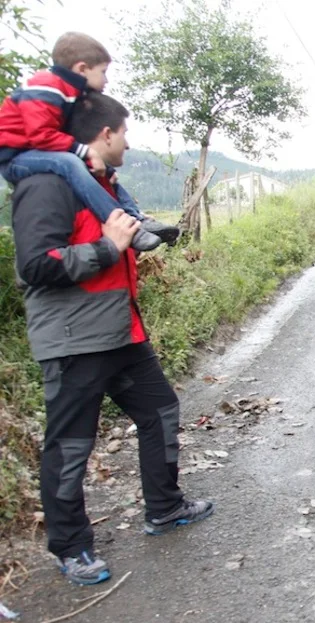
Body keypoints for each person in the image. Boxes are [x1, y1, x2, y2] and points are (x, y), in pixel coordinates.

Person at [11, 91, 213, 586]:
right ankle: (71, 548)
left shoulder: (104, 185)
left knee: (161, 412)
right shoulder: (47, 183)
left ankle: (164, 508)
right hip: (74, 342)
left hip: (120, 332)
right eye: (125, 133)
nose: (127, 142)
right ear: (105, 134)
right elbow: (35, 266)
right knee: (71, 446)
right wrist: (108, 247)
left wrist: (130, 241)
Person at [0, 31, 178, 252]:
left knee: (104, 169)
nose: (106, 80)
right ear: (82, 68)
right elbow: (41, 134)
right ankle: (121, 223)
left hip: (37, 150)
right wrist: (84, 151)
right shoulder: (46, 86)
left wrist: (103, 168)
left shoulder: (70, 93)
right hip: (14, 155)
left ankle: (136, 218)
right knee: (70, 163)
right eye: (103, 72)